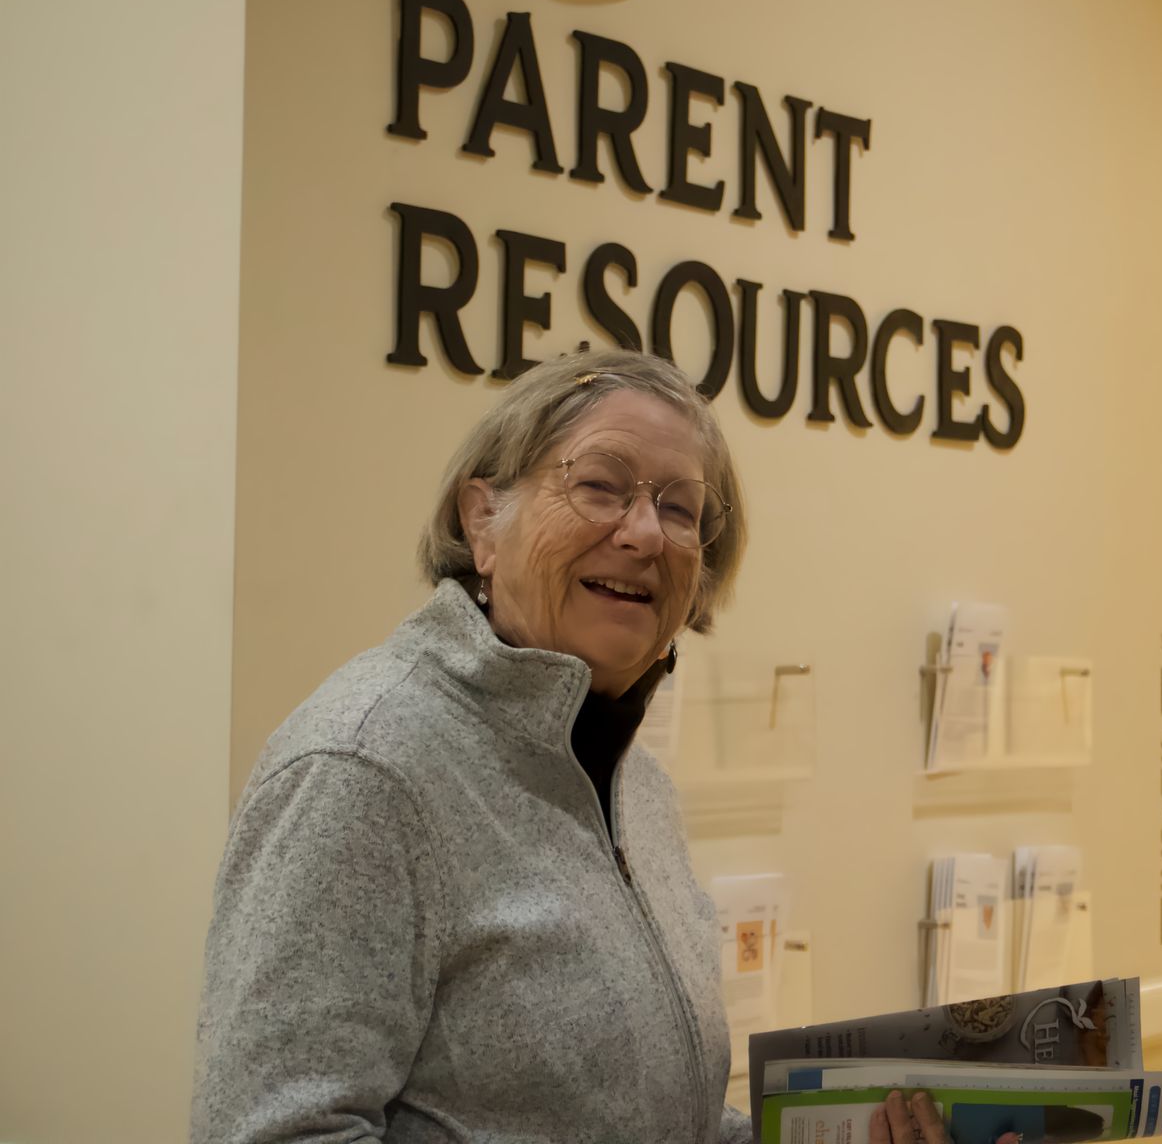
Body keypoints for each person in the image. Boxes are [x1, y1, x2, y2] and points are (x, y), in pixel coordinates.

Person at [191, 349, 759, 1140]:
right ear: (482, 519)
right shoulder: (363, 769)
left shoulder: (636, 783)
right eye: (600, 485)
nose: (643, 534)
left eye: (680, 509)